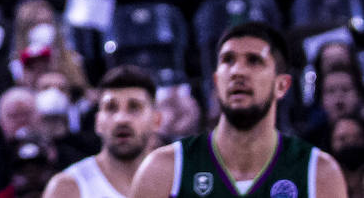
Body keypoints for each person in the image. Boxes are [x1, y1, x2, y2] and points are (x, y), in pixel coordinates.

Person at [129, 22, 347, 198]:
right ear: (216, 81)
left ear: (282, 85)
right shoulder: (164, 168)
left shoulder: (318, 172)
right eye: (228, 60)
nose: (237, 71)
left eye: (254, 61)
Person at [43, 66, 162, 198]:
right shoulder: (68, 187)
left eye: (134, 107)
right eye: (111, 108)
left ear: (156, 120)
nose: (121, 119)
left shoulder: (180, 181)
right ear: (98, 122)